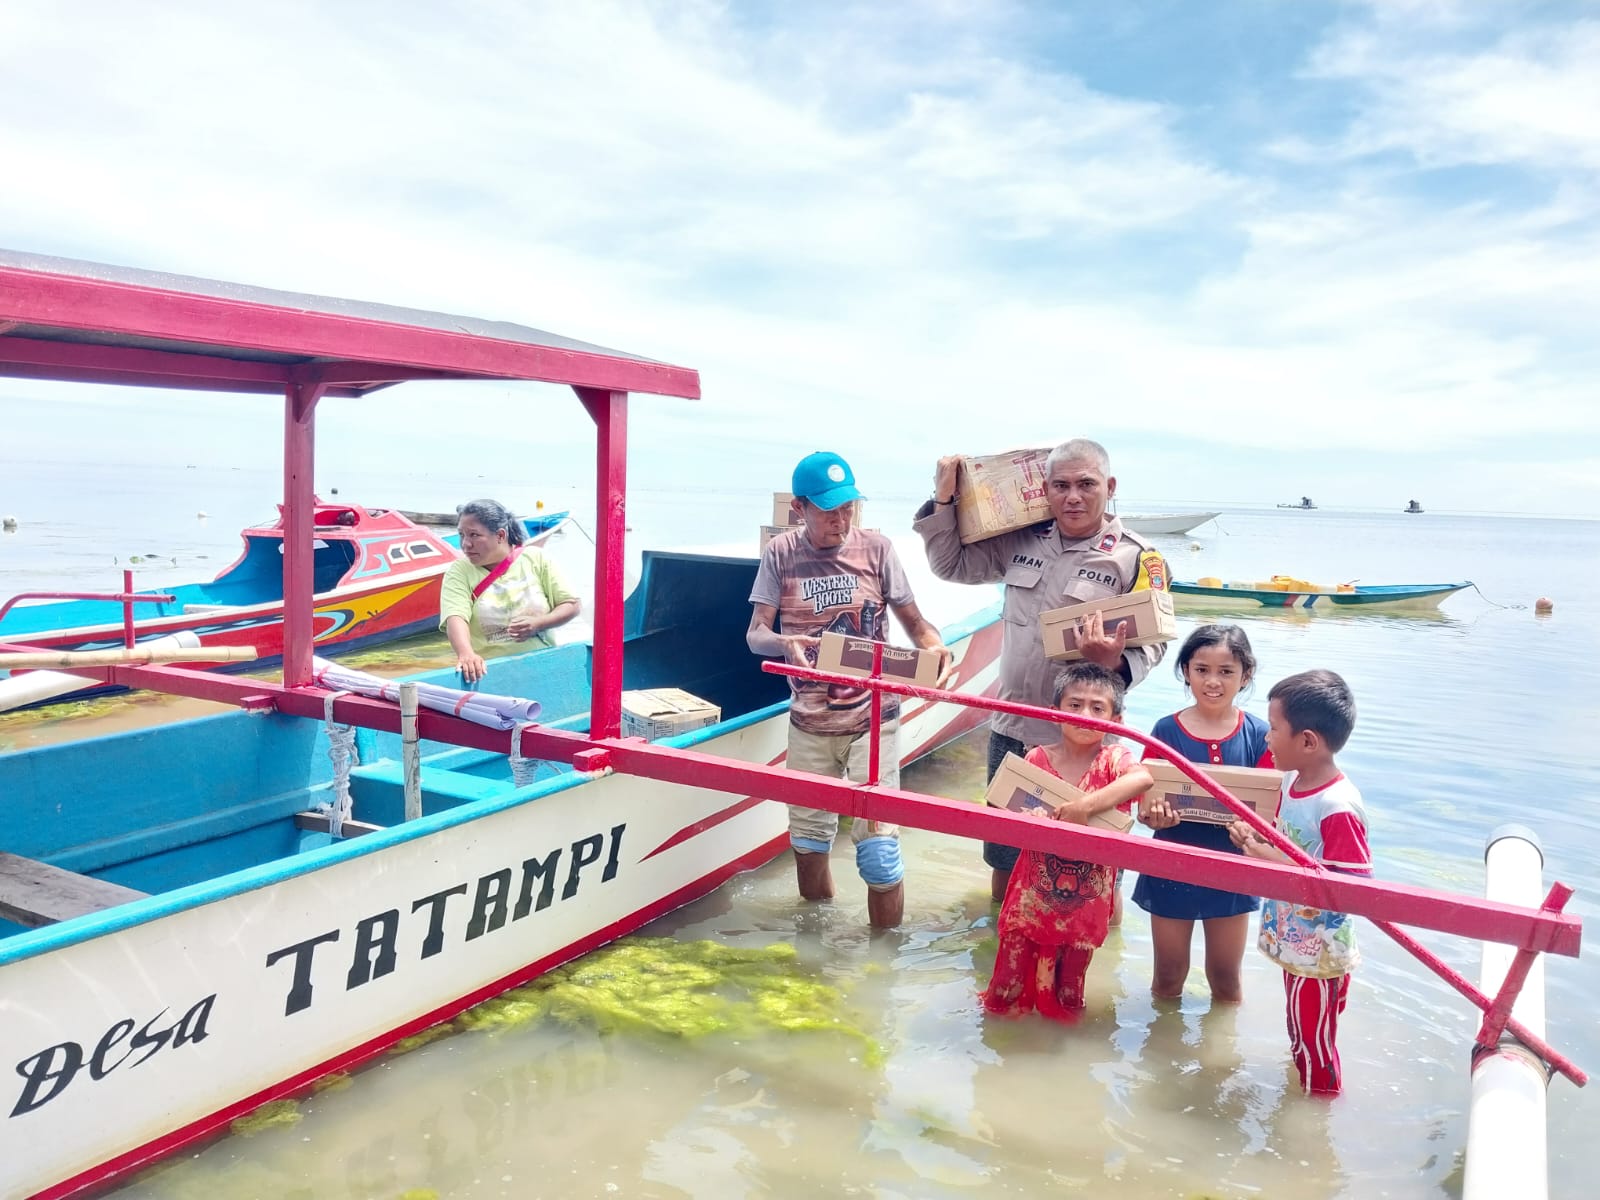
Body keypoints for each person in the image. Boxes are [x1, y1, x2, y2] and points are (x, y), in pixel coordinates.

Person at [914, 437, 1169, 902]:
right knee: (1005, 859)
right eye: (1061, 485)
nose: (1073, 496)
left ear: (1109, 487)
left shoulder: (1135, 557)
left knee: (1092, 870)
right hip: (1011, 727)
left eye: (1086, 484)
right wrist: (946, 500)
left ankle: (1089, 967)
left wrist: (1113, 662)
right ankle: (999, 955)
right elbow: (950, 565)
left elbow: (1154, 645)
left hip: (1085, 741)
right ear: (1045, 490)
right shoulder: (1021, 540)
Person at [748, 450, 953, 929]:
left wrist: (937, 649)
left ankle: (884, 963)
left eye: (848, 508)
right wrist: (784, 642)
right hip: (809, 721)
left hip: (872, 719)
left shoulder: (877, 549)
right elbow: (755, 634)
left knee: (879, 856)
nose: (841, 520)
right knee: (809, 845)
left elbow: (916, 624)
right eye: (828, 510)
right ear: (800, 507)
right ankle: (818, 950)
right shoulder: (780, 553)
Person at [982, 662, 1153, 1019]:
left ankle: (1059, 1045)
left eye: (1097, 707)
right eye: (1074, 705)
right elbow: (1008, 810)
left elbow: (1142, 780)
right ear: (1054, 712)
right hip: (1032, 895)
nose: (1085, 714)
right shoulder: (1037, 759)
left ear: (1115, 720)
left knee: (1068, 990)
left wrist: (1084, 807)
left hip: (1084, 900)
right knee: (1007, 987)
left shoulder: (1113, 760)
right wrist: (1026, 821)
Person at [1229, 669, 1370, 1096]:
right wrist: (1255, 839)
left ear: (1308, 741)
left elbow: (1350, 885)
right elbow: (1286, 839)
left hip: (1321, 951)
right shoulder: (1292, 782)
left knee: (1315, 1042)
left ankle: (1318, 1113)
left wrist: (1264, 854)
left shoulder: (1336, 805)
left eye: (1274, 729)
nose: (1266, 739)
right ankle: (1306, 1102)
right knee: (1300, 1029)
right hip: (1297, 940)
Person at [1134, 624, 1273, 1003]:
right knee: (1167, 977)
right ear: (1185, 672)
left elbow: (1273, 810)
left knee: (1226, 981)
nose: (1213, 681)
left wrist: (1256, 832)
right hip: (1171, 862)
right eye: (1202, 670)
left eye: (1226, 671)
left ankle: (1223, 1062)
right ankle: (1161, 1057)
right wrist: (1153, 818)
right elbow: (1144, 803)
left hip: (1231, 866)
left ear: (1246, 675)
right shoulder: (1164, 730)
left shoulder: (1260, 735)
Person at [440, 499, 581, 683]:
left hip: (544, 666)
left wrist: (539, 623)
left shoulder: (535, 558)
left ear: (500, 535)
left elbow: (571, 604)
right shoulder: (459, 571)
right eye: (461, 535)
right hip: (491, 673)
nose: (466, 544)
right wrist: (466, 654)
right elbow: (456, 617)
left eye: (474, 535)